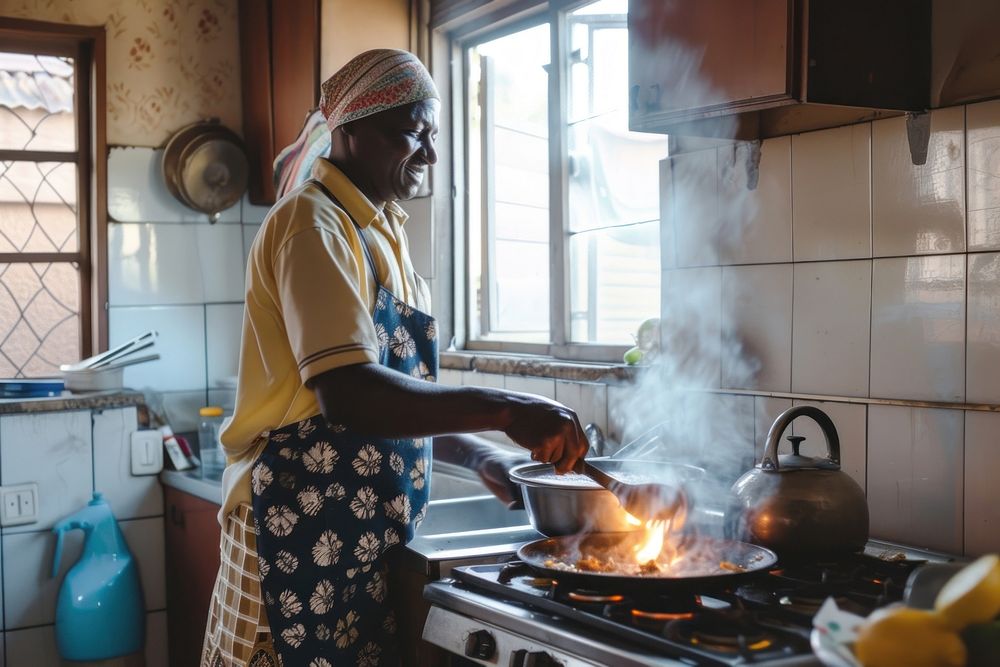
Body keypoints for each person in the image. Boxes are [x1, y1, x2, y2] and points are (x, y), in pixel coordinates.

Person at [200, 49, 588, 667]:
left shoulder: (380, 227)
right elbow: (349, 394)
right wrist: (508, 409)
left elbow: (394, 392)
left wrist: (477, 453)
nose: (430, 154)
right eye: (412, 133)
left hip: (350, 530)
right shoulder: (313, 225)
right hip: (293, 524)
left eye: (432, 134)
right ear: (349, 130)